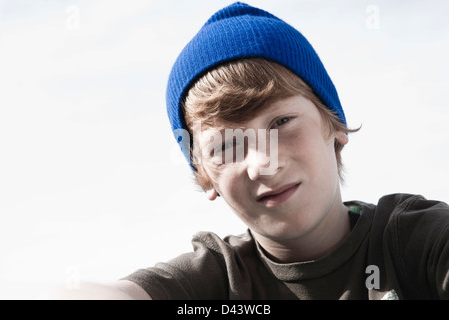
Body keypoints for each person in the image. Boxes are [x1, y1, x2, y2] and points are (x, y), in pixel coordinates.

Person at [49, 2, 449, 300]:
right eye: (225, 146)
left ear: (334, 125)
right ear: (205, 176)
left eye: (280, 124)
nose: (262, 164)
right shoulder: (217, 282)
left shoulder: (416, 244)